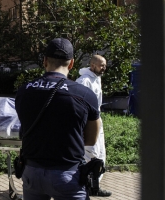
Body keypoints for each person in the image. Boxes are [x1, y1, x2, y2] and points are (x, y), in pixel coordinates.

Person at [15, 38, 101, 200]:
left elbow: (24, 128)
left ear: (45, 61)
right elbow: (91, 139)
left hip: (32, 171)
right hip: (67, 174)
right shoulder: (84, 94)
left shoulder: (24, 91)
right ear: (71, 64)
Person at [76, 54, 112, 197]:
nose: (104, 67)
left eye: (104, 64)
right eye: (101, 65)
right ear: (92, 65)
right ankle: (87, 186)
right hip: (88, 121)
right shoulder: (84, 81)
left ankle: (94, 185)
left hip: (96, 119)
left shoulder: (96, 78)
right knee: (91, 154)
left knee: (100, 155)